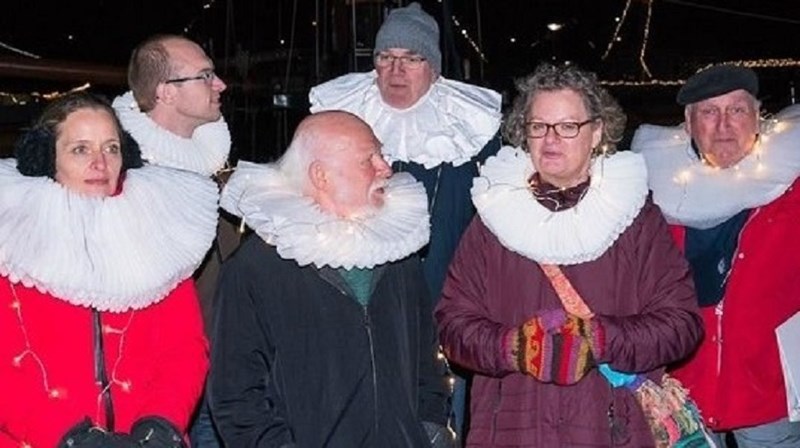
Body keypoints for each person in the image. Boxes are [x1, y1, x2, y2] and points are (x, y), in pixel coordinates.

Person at [434, 63, 704, 446]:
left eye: (567, 126)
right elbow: (452, 326)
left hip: (610, 432)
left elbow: (681, 325)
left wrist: (602, 339)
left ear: (596, 132)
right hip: (512, 432)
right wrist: (513, 348)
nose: (550, 139)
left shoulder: (636, 221)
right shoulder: (492, 219)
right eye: (538, 126)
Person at [309, 2, 502, 436]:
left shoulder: (470, 129)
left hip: (443, 305)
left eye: (411, 58)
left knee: (437, 420)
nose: (396, 70)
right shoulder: (338, 119)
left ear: (432, 68)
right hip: (356, 302)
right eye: (386, 57)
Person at [208, 111, 452, 446]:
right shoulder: (257, 267)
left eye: (382, 155)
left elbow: (427, 357)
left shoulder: (397, 251)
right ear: (321, 176)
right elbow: (237, 395)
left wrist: (429, 428)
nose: (385, 168)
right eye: (369, 159)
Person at [0, 92, 216, 447]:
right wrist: (69, 437)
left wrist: (160, 426)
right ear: (46, 158)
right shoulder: (9, 241)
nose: (100, 163)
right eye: (80, 149)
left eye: (111, 148)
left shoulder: (157, 232)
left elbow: (184, 347)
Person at [631, 64, 800, 447]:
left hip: (769, 388)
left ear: (758, 118)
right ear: (688, 124)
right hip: (685, 387)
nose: (724, 125)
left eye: (737, 110)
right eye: (709, 112)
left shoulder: (791, 187)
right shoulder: (659, 195)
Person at [113, 34, 236, 446]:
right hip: (168, 381)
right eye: (206, 75)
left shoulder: (210, 162)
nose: (220, 84)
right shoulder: (125, 177)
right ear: (166, 92)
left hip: (223, 365)